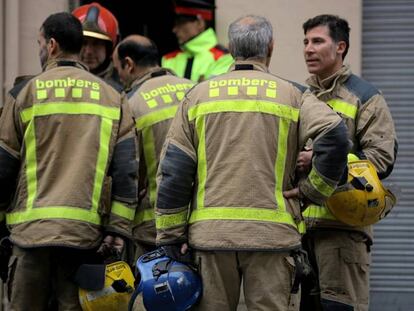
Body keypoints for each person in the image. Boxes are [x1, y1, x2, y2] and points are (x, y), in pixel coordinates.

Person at [154, 15, 349, 311]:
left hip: (211, 239)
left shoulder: (197, 96)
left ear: (231, 48)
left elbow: (175, 171)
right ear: (270, 47)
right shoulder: (293, 94)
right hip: (272, 240)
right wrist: (313, 191)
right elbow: (335, 135)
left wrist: (170, 237)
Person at [0, 12, 138, 310]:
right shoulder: (113, 98)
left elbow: (4, 166)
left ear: (51, 45)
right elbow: (126, 170)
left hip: (30, 237)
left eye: (39, 42)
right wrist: (117, 230)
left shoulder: (23, 93)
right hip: (85, 239)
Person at [300, 14, 398, 311]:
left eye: (318, 41)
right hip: (299, 232)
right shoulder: (299, 96)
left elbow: (381, 159)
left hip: (342, 233)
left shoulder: (365, 98)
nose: (308, 49)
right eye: (305, 42)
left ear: (340, 47)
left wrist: (320, 160)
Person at [113, 35, 194, 257]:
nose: (118, 76)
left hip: (152, 230)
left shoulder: (130, 104)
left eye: (117, 68)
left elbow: (127, 171)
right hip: (197, 225)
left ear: (128, 64)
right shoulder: (195, 91)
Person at [162, 0, 233, 82]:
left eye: (180, 23)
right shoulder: (169, 58)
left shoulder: (223, 57)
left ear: (199, 23)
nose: (174, 30)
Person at [72, 2, 123, 92]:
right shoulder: (57, 80)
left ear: (109, 49)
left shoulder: (122, 87)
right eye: (83, 43)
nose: (89, 51)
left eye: (96, 44)